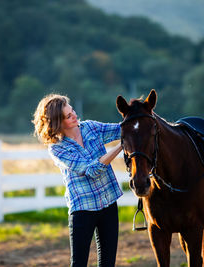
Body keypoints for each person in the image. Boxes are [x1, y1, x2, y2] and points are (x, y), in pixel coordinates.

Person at [32, 93, 123, 267]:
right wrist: (120, 146)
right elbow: (91, 170)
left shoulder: (90, 127)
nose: (74, 115)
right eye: (68, 116)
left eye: (72, 110)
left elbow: (121, 129)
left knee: (108, 263)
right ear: (58, 123)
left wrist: (139, 115)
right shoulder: (58, 149)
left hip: (108, 202)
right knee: (79, 263)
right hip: (83, 209)